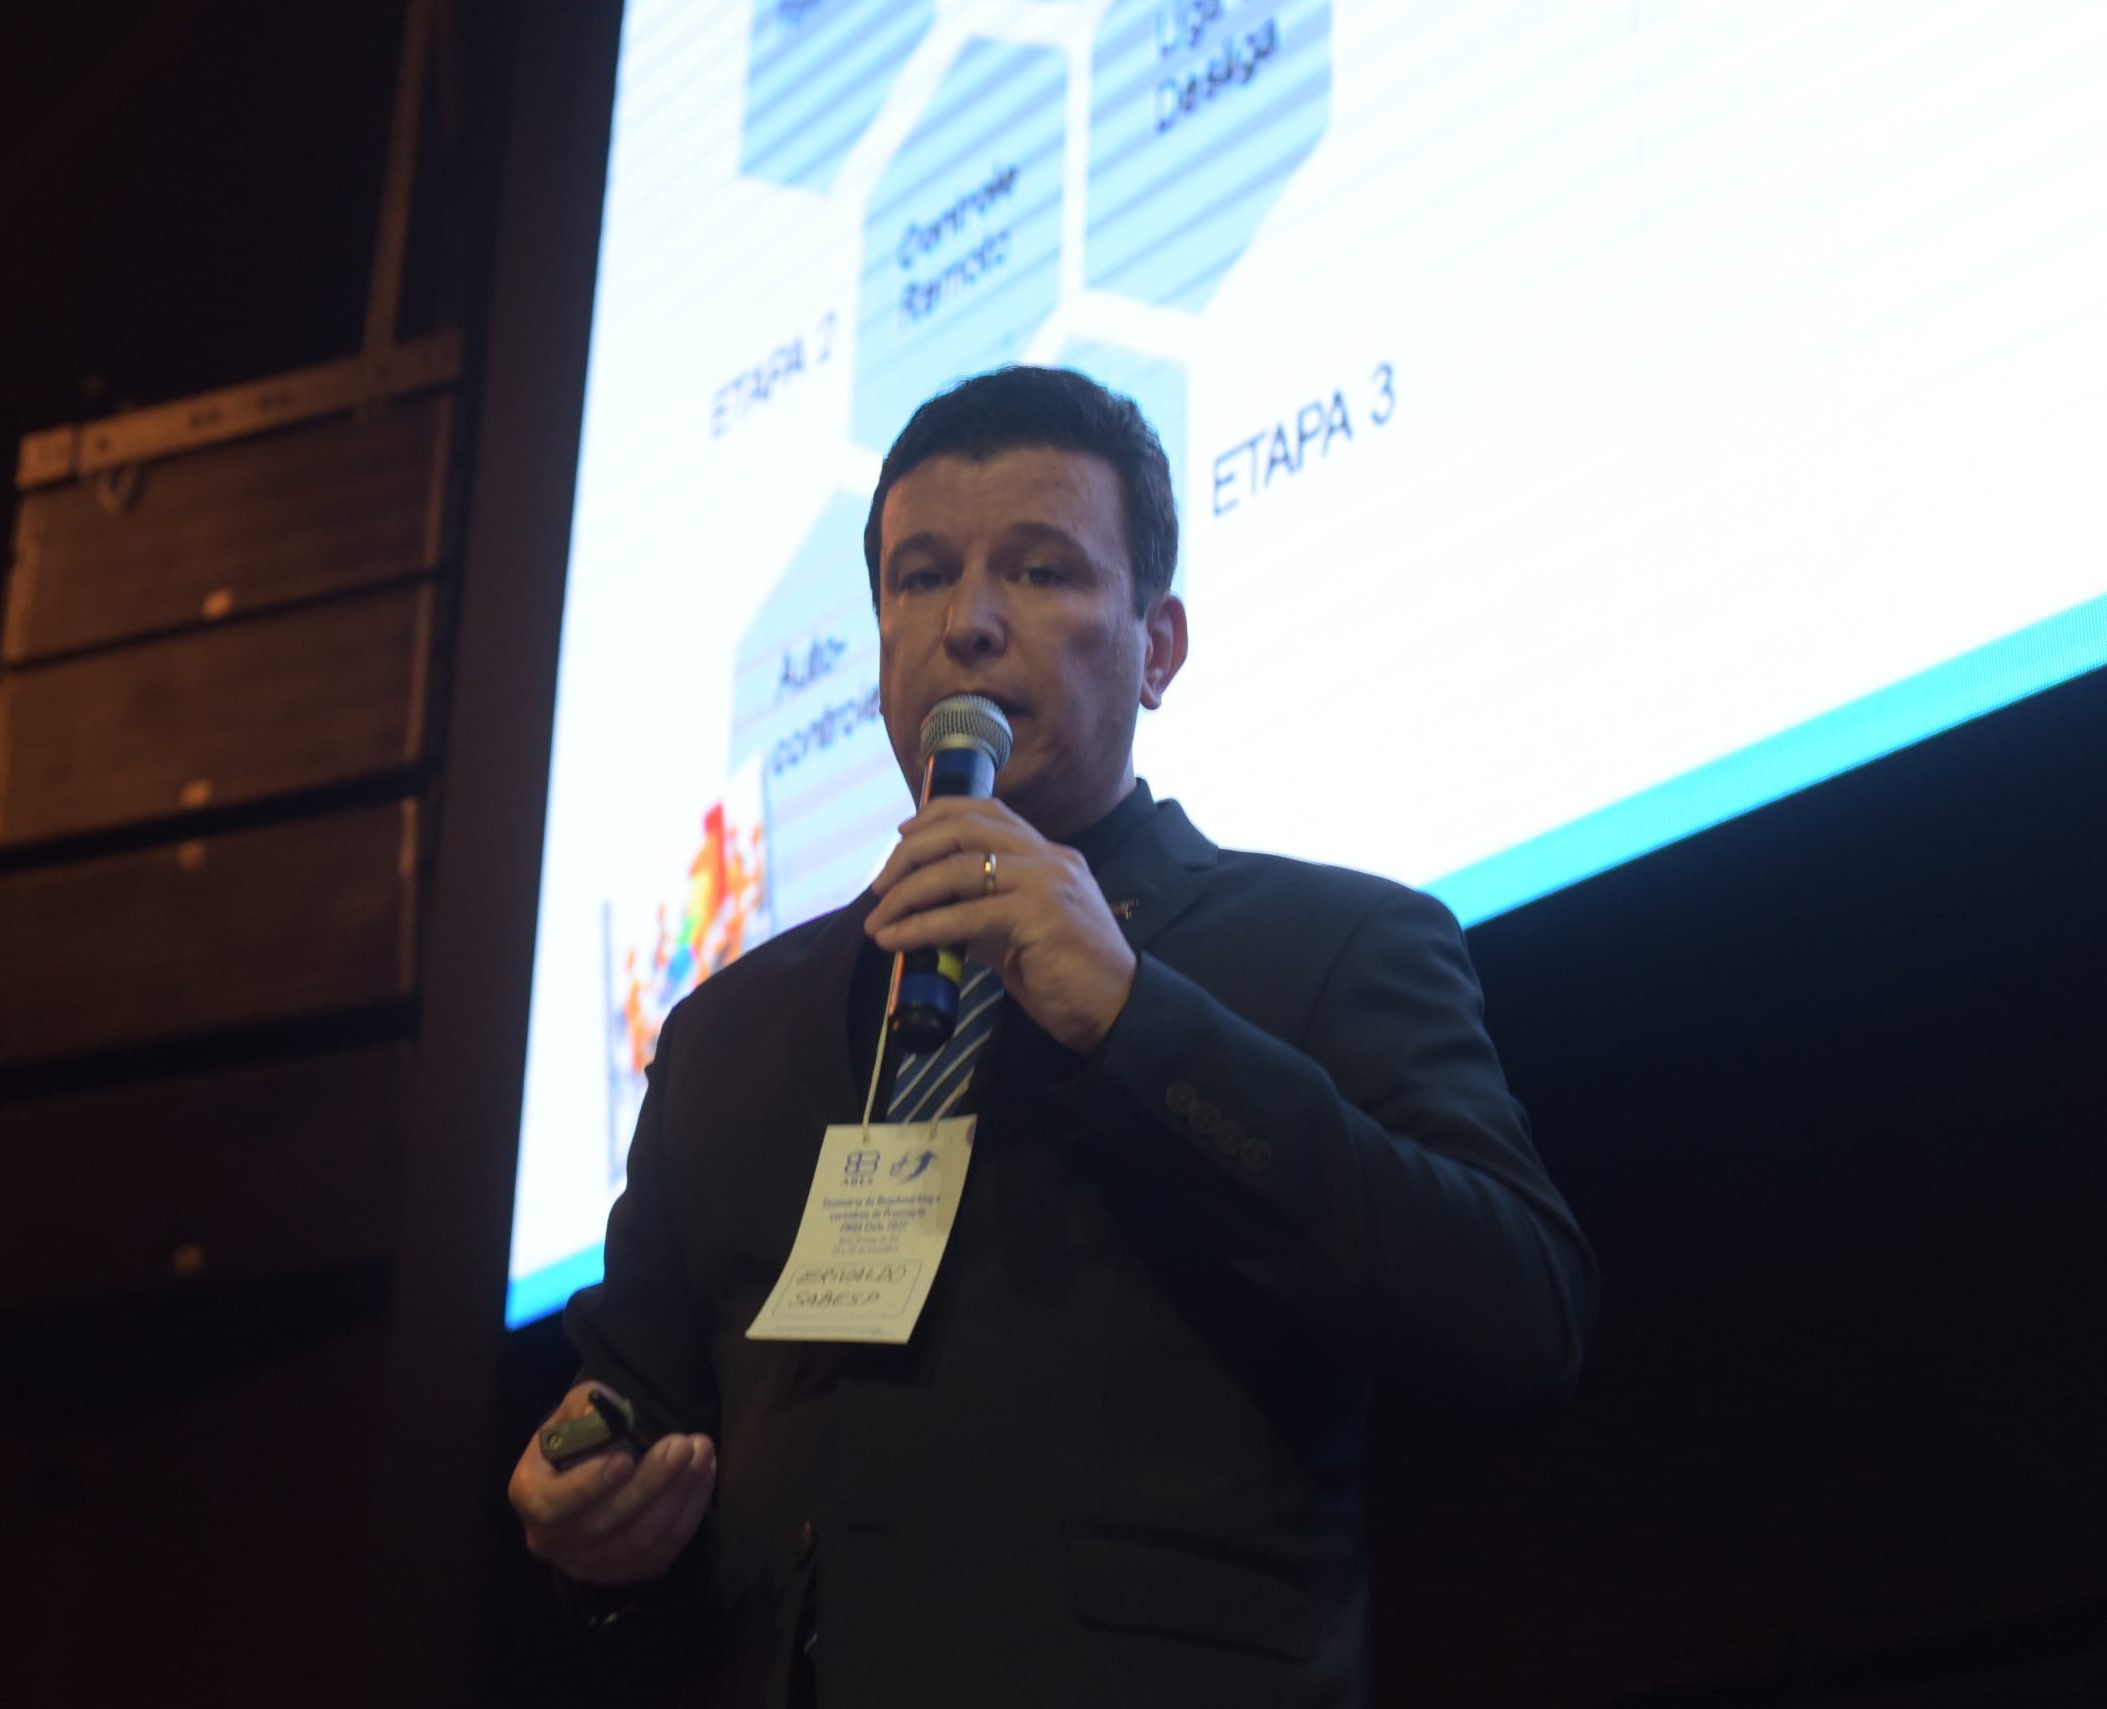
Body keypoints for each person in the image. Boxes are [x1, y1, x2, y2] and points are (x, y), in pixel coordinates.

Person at [508, 366, 1597, 1706]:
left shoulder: (1335, 943)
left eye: (1038, 571)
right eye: (919, 578)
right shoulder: (727, 1036)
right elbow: (633, 1407)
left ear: (1159, 646)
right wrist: (587, 1504)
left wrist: (1138, 1018)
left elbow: (1520, 1315)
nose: (967, 623)